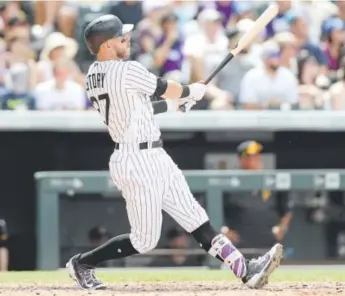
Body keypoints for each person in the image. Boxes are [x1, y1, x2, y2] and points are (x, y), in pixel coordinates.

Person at [65, 14, 283, 291]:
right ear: (107, 45)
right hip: (136, 160)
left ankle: (245, 269)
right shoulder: (125, 70)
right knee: (144, 240)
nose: (127, 40)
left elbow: (140, 108)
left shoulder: (94, 74)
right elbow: (164, 88)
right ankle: (82, 263)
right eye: (122, 37)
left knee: (194, 216)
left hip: (153, 156)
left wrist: (180, 102)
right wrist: (193, 91)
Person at [222, 141, 293, 253]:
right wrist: (224, 230)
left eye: (257, 156)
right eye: (251, 156)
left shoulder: (270, 181)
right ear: (241, 159)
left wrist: (281, 229)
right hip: (239, 247)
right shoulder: (230, 182)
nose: (255, 159)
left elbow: (286, 210)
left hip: (268, 245)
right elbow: (214, 208)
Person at [239, 40, 299, 110]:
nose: (276, 58)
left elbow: (294, 102)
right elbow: (247, 105)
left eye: (278, 55)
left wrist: (279, 105)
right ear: (265, 58)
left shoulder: (288, 75)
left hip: (283, 117)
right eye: (273, 55)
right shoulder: (251, 76)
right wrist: (268, 106)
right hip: (258, 118)